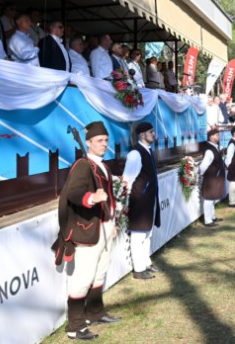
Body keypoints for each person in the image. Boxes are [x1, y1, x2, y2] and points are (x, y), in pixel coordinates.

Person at [52, 121, 120, 341]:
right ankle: (75, 326)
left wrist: (112, 222)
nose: (104, 144)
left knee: (100, 272)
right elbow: (73, 193)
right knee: (83, 277)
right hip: (88, 230)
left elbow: (108, 196)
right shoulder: (83, 165)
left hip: (105, 226)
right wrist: (91, 197)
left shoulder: (102, 166)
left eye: (106, 140)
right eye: (99, 141)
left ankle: (95, 312)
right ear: (88, 143)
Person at [121, 122, 160, 280]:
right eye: (151, 132)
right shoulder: (135, 154)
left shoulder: (147, 151)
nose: (153, 134)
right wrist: (127, 202)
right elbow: (127, 179)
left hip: (147, 199)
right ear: (142, 134)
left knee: (147, 234)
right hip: (139, 200)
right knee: (138, 236)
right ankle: (138, 270)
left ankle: (145, 262)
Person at [199, 128, 226, 227]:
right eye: (216, 135)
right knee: (208, 199)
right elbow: (203, 166)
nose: (219, 136)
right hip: (211, 178)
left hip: (215, 177)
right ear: (211, 137)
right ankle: (208, 220)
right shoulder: (210, 150)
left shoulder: (215, 147)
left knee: (212, 198)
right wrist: (201, 174)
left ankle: (212, 216)